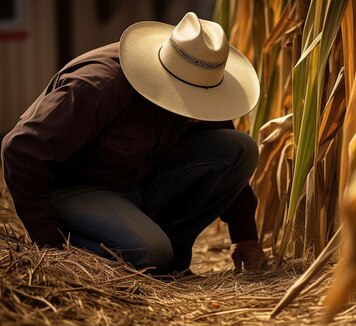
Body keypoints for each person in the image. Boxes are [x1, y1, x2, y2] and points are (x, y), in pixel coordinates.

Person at [1, 12, 268, 275]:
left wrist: (244, 233)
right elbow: (20, 150)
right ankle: (148, 254)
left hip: (141, 181)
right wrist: (51, 245)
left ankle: (171, 260)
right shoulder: (98, 87)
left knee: (239, 148)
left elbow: (222, 141)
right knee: (149, 253)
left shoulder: (199, 80)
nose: (196, 107)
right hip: (77, 189)